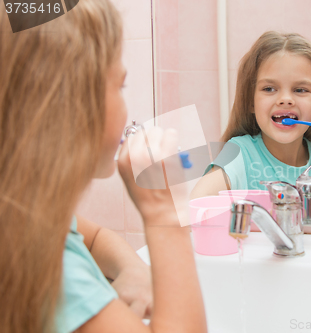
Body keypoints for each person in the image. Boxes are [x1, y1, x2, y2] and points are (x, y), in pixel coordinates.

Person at [0, 1, 206, 333]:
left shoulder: (22, 214)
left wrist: (135, 271)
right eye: (120, 85)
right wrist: (164, 217)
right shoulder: (52, 276)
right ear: (73, 105)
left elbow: (92, 237)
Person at [191, 31, 311, 222]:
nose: (286, 99)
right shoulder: (239, 154)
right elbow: (194, 212)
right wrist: (298, 216)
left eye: (300, 90)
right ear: (251, 101)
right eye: (269, 89)